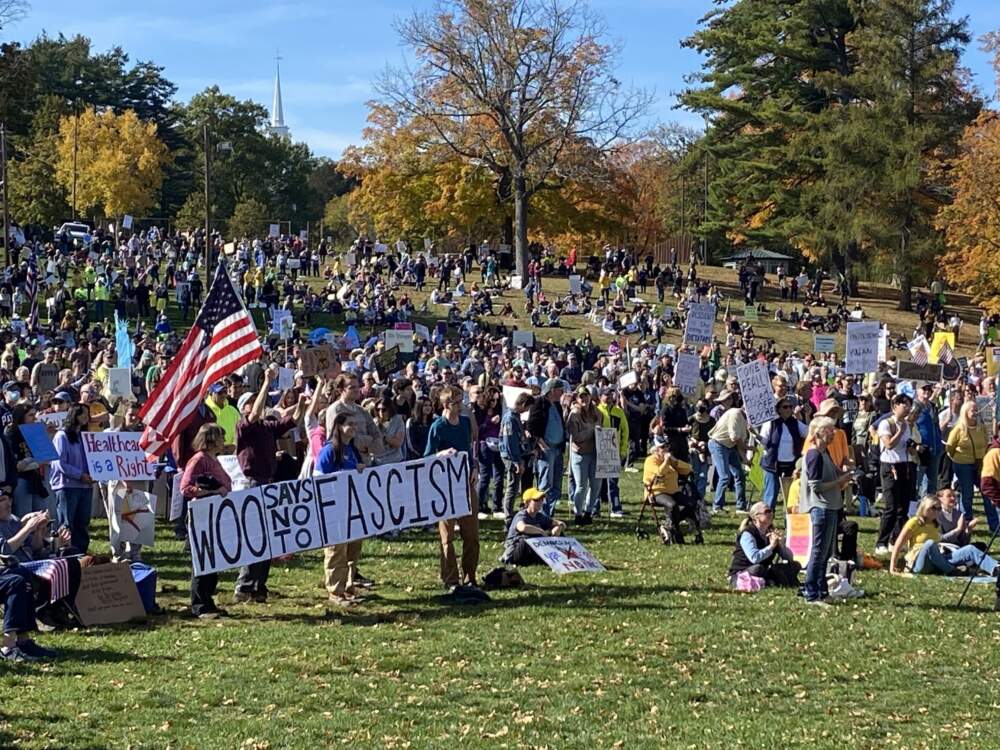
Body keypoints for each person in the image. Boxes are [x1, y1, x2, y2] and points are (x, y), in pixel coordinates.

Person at [233, 365, 305, 603]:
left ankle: (258, 585)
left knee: (269, 537)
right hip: (253, 484)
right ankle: (244, 586)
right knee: (255, 536)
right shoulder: (244, 428)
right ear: (244, 408)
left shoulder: (266, 428)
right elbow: (254, 414)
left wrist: (306, 402)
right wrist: (266, 382)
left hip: (269, 483)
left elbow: (292, 421)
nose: (259, 406)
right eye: (252, 402)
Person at [425, 385, 480, 589]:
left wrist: (474, 466)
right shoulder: (438, 426)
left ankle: (470, 576)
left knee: (471, 533)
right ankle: (450, 578)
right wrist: (439, 455)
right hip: (445, 487)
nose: (461, 405)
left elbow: (469, 449)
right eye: (457, 402)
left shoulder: (465, 423)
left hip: (465, 482)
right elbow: (427, 457)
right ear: (447, 404)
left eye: (461, 401)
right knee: (447, 536)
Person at [180, 424, 232, 619]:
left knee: (214, 560)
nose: (223, 440)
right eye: (220, 437)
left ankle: (208, 601)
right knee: (203, 559)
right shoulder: (199, 459)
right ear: (210, 439)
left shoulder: (213, 459)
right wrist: (211, 491)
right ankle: (200, 605)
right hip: (202, 515)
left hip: (216, 515)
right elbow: (185, 488)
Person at [317, 412, 366, 606]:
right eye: (350, 424)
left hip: (352, 507)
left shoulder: (351, 450)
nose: (354, 427)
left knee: (353, 550)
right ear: (339, 426)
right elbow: (318, 476)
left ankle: (348, 587)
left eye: (355, 424)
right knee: (336, 550)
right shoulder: (329, 450)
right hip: (333, 508)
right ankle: (335, 591)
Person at [801, 417, 852, 606]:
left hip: (831, 506)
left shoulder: (825, 453)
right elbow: (817, 487)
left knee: (825, 554)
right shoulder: (813, 454)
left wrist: (848, 472)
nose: (833, 433)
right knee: (818, 552)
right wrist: (840, 482)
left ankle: (823, 591)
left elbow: (834, 472)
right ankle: (811, 593)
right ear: (819, 433)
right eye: (829, 430)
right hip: (820, 507)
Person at [890, 495, 1000, 577]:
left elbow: (943, 539)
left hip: (938, 560)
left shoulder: (935, 524)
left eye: (939, 508)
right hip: (919, 563)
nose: (937, 511)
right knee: (930, 544)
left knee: (970, 549)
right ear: (925, 508)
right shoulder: (914, 522)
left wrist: (964, 530)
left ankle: (995, 569)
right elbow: (898, 544)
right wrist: (892, 568)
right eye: (934, 508)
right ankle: (952, 570)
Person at [874, 394, 918, 556]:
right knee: (891, 507)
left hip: (904, 466)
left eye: (909, 405)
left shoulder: (907, 424)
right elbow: (889, 444)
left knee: (903, 507)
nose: (907, 408)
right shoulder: (887, 423)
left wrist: (914, 447)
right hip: (890, 466)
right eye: (904, 405)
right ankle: (881, 542)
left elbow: (907, 445)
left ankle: (896, 539)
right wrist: (900, 432)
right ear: (895, 406)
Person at [50, 404, 94, 554]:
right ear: (73, 416)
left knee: (82, 523)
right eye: (82, 414)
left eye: (87, 414)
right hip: (67, 486)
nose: (85, 418)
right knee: (67, 523)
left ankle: (81, 553)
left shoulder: (86, 437)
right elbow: (59, 463)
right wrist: (80, 475)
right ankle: (66, 554)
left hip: (86, 486)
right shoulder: (62, 436)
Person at [727, 501, 800, 588]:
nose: (770, 513)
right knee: (758, 569)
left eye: (771, 511)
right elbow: (755, 558)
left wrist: (781, 544)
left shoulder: (770, 532)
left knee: (795, 565)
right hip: (743, 572)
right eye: (766, 512)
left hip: (764, 569)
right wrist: (771, 546)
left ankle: (771, 581)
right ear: (756, 517)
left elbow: (789, 558)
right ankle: (772, 581)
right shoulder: (748, 534)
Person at [946, 401, 993, 530]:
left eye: (976, 410)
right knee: (967, 495)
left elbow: (985, 443)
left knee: (988, 493)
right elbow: (950, 448)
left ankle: (994, 525)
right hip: (963, 465)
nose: (976, 412)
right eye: (973, 410)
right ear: (965, 412)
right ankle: (966, 524)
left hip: (980, 465)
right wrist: (958, 457)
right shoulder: (958, 429)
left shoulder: (981, 427)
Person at [643, 434, 696, 544]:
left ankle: (669, 524)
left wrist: (675, 461)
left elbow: (687, 469)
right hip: (657, 491)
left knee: (691, 503)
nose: (666, 449)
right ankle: (675, 532)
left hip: (673, 491)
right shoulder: (650, 460)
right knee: (672, 505)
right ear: (656, 449)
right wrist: (666, 462)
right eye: (662, 447)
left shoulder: (671, 460)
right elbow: (659, 473)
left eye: (667, 446)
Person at [758, 397, 807, 510]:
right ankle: (767, 520)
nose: (789, 409)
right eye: (785, 407)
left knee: (791, 496)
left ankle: (789, 522)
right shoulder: (771, 423)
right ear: (778, 409)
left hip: (791, 464)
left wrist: (807, 416)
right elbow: (764, 441)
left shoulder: (795, 423)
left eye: (790, 407)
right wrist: (755, 434)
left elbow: (808, 432)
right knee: (771, 494)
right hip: (773, 464)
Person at [527, 378, 567, 517]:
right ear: (553, 390)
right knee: (545, 483)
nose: (562, 392)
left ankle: (550, 512)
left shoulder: (557, 405)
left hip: (557, 448)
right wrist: (541, 445)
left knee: (556, 484)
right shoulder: (539, 403)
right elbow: (532, 426)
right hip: (546, 449)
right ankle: (542, 514)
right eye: (560, 390)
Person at [500, 487, 566, 566]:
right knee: (527, 540)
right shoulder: (521, 515)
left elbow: (560, 523)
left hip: (531, 550)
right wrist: (541, 531)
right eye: (536, 500)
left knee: (559, 535)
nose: (541, 502)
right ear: (527, 502)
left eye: (542, 499)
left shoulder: (539, 516)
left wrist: (557, 528)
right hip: (515, 552)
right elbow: (522, 527)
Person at [707, 389, 749, 513]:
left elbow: (738, 442)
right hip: (718, 444)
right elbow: (734, 438)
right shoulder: (735, 413)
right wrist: (748, 449)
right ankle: (717, 506)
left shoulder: (745, 420)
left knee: (740, 475)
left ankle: (741, 507)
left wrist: (745, 459)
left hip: (730, 447)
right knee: (725, 476)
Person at [499, 392, 534, 528]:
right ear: (523, 404)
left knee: (515, 485)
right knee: (512, 487)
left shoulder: (516, 417)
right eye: (527, 407)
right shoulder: (510, 419)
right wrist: (516, 461)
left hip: (518, 454)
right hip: (511, 457)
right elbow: (510, 443)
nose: (527, 411)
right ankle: (508, 517)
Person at [566, 385, 599, 526]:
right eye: (581, 396)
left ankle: (588, 512)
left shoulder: (596, 411)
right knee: (581, 486)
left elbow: (601, 425)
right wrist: (592, 431)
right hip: (579, 454)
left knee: (596, 485)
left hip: (595, 453)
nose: (584, 398)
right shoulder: (574, 414)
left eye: (586, 395)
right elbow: (576, 436)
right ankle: (578, 513)